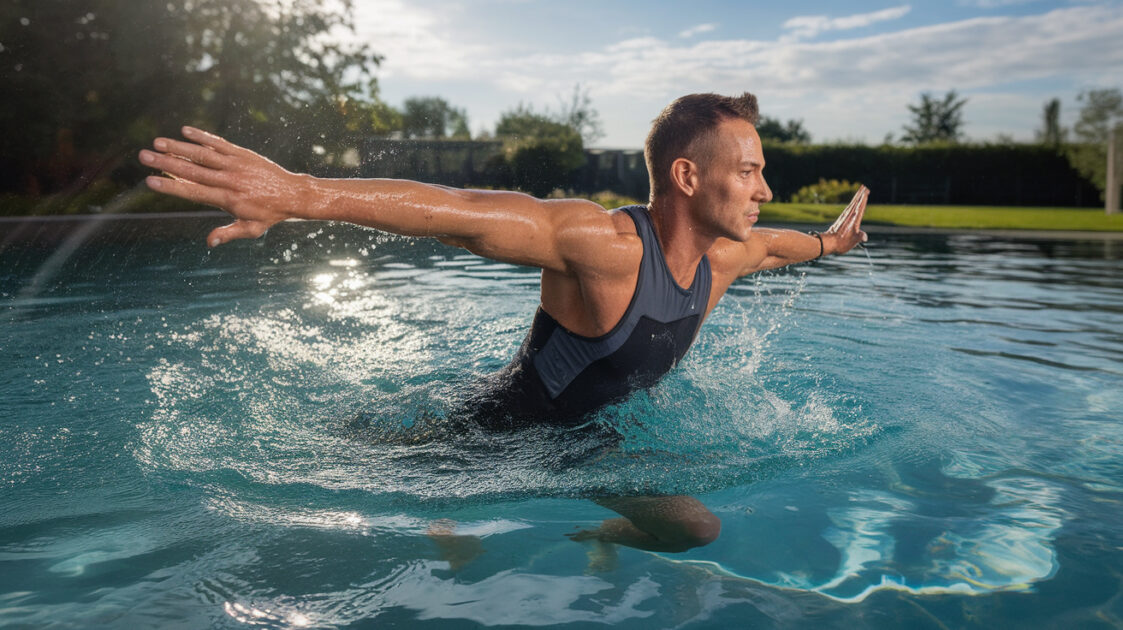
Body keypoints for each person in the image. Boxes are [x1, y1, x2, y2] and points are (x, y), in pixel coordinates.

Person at [140, 92, 869, 555]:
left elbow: (787, 245)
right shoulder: (604, 246)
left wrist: (834, 241)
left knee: (694, 530)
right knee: (400, 480)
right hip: (492, 433)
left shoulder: (727, 260)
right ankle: (439, 515)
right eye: (747, 171)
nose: (764, 189)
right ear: (686, 177)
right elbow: (456, 213)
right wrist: (300, 193)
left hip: (594, 442)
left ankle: (601, 531)